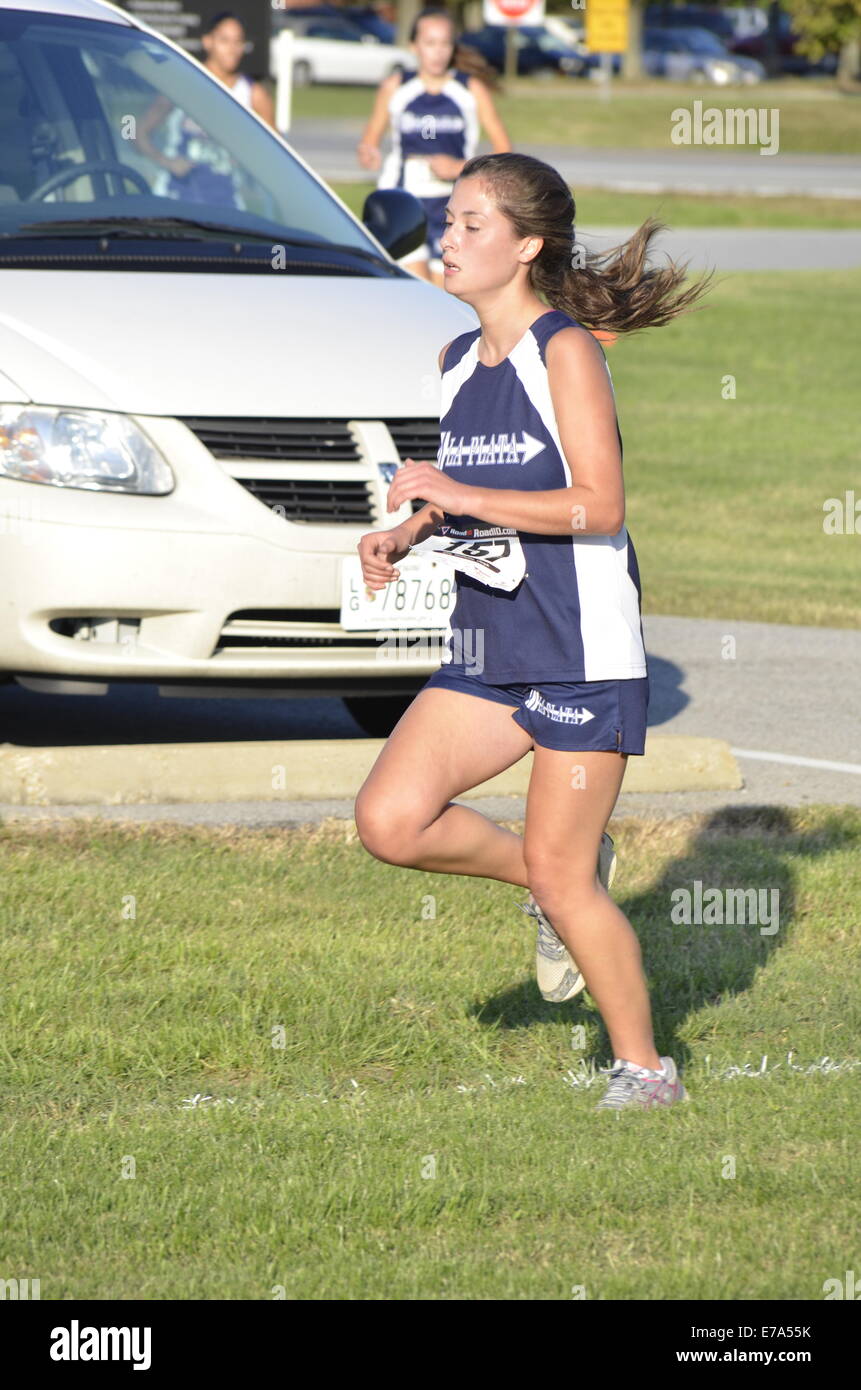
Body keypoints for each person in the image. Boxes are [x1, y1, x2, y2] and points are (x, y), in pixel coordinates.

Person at [354, 152, 714, 1113]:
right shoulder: (452, 361)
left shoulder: (566, 352)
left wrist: (452, 491)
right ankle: (563, 877)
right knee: (390, 823)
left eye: (473, 224)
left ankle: (646, 1073)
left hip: (581, 647)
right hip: (486, 646)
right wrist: (408, 529)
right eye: (448, 220)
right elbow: (464, 489)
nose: (449, 237)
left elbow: (598, 506)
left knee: (561, 881)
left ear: (526, 247)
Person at [357, 7, 511, 288]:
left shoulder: (469, 89)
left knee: (445, 294)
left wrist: (458, 168)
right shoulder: (396, 86)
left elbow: (504, 152)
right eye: (430, 43)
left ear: (453, 47)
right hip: (405, 204)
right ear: (414, 46)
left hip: (451, 206)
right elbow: (370, 139)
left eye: (444, 44)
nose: (438, 52)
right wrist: (368, 152)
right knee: (415, 292)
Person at [137, 12, 275, 208]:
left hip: (228, 207)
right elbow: (135, 130)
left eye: (238, 41)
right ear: (207, 41)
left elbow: (274, 157)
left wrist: (249, 164)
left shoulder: (254, 94)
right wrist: (166, 161)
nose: (232, 49)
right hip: (175, 200)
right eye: (224, 40)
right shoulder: (183, 84)